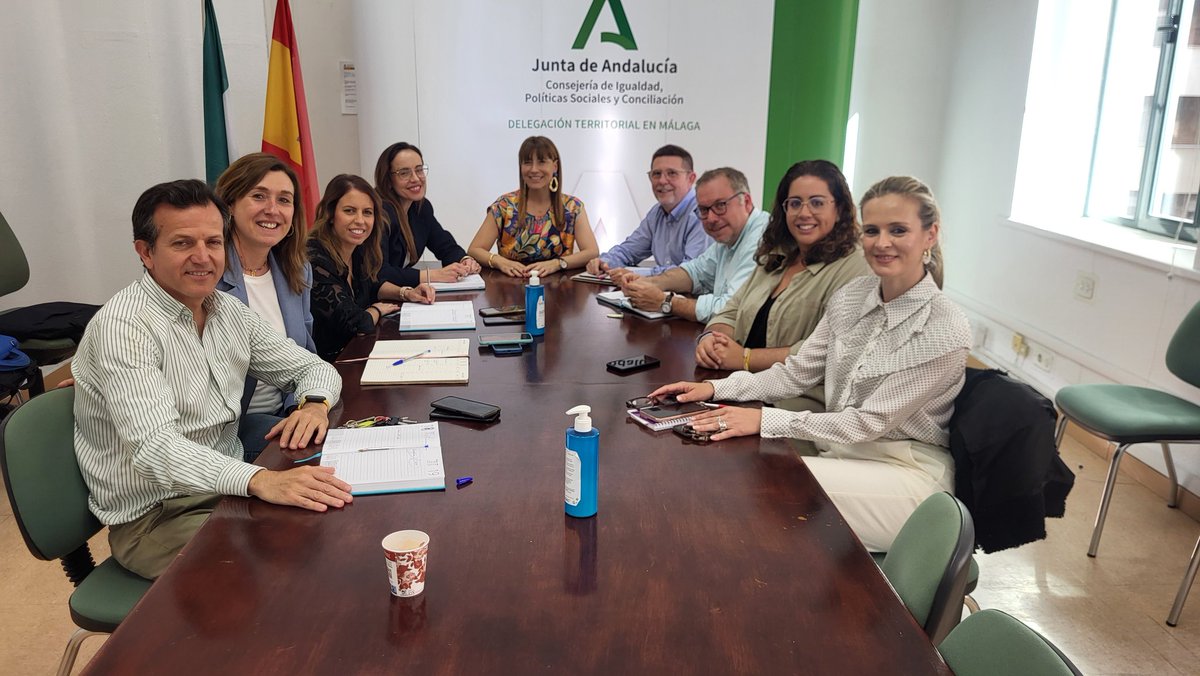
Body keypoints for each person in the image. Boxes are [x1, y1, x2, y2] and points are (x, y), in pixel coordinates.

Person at [651, 176, 972, 552]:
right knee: (726, 474)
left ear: (930, 235)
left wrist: (762, 420)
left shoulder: (945, 327)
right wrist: (716, 388)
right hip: (839, 454)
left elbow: (869, 422)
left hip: (904, 476)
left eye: (898, 230)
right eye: (872, 230)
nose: (882, 243)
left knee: (756, 494)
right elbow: (797, 372)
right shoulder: (852, 297)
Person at [73, 179, 354, 580]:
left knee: (328, 523)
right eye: (183, 243)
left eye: (213, 242)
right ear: (146, 252)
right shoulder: (125, 326)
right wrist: (259, 479)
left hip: (224, 486)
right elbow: (157, 449)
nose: (203, 257)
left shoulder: (225, 310)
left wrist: (314, 403)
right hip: (158, 516)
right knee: (285, 571)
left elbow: (313, 367)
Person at [695, 161, 871, 410]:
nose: (804, 213)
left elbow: (824, 353)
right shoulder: (778, 254)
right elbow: (732, 309)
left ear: (840, 209)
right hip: (740, 388)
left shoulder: (856, 267)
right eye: (795, 203)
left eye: (817, 202)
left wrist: (745, 359)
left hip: (793, 408)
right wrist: (713, 339)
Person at [214, 153, 317, 461]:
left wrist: (310, 405)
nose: (273, 210)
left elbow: (306, 353)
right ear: (229, 204)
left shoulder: (297, 271)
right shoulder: (205, 273)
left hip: (284, 412)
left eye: (284, 200)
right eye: (259, 196)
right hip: (226, 430)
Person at [613, 167, 768, 322]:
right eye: (704, 210)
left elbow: (730, 310)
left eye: (720, 205)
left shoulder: (762, 239)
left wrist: (665, 302)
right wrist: (649, 283)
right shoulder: (729, 236)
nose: (711, 218)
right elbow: (695, 272)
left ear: (746, 202)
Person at [307, 174, 436, 361]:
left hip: (354, 357)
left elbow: (373, 285)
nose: (360, 220)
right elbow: (357, 324)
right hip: (327, 368)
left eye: (367, 212)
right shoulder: (315, 258)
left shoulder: (358, 250)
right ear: (331, 214)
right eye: (350, 211)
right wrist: (376, 310)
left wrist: (406, 293)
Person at [467, 135, 600, 277]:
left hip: (560, 291)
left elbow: (591, 251)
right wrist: (500, 262)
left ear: (555, 166)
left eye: (542, 162)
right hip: (509, 288)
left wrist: (558, 263)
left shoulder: (573, 207)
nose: (534, 169)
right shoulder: (505, 206)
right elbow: (475, 249)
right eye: (527, 163)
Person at [584, 144, 711, 277]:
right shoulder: (657, 213)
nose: (662, 180)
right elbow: (629, 250)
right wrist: (604, 262)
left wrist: (635, 273)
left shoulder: (703, 212)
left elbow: (689, 272)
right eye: (656, 174)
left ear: (690, 179)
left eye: (672, 173)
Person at [374, 142, 481, 287]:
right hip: (372, 298)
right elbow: (380, 272)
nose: (416, 179)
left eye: (419, 170)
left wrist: (464, 259)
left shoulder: (421, 208)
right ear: (388, 180)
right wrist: (432, 275)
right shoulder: (379, 213)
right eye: (404, 173)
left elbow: (445, 245)